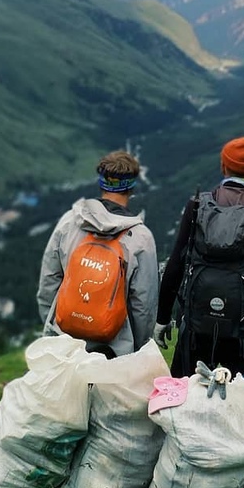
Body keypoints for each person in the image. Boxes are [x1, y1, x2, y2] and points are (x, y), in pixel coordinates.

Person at [154, 136, 244, 384]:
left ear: (223, 166)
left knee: (186, 394)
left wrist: (162, 318)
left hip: (196, 325)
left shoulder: (197, 206)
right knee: (242, 398)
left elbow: (176, 265)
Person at [36, 150, 158, 356]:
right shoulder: (141, 238)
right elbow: (143, 305)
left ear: (101, 183)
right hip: (114, 349)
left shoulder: (70, 221)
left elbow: (49, 281)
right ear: (131, 188)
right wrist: (137, 347)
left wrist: (53, 325)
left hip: (64, 343)